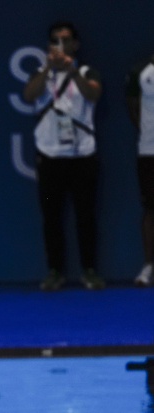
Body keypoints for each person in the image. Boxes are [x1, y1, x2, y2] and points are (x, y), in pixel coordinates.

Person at [22, 21, 105, 291]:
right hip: (49, 154)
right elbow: (28, 95)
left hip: (82, 154)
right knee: (52, 217)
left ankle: (89, 271)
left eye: (65, 40)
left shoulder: (85, 70)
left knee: (85, 215)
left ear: (74, 45)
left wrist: (70, 69)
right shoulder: (39, 73)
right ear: (48, 46)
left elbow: (93, 93)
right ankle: (54, 271)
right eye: (55, 40)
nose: (60, 45)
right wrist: (48, 68)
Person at [126, 53, 154, 287]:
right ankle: (148, 267)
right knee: (150, 209)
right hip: (149, 151)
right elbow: (133, 111)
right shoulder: (141, 71)